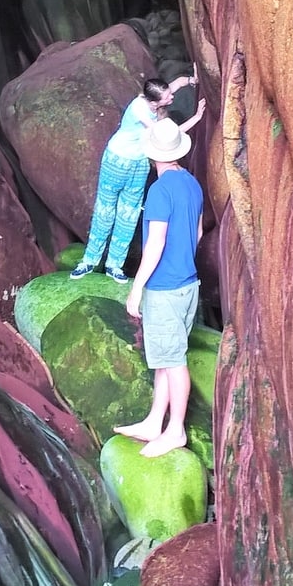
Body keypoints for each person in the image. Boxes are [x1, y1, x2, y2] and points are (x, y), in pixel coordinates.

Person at [114, 117, 204, 457]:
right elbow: (196, 235)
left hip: (165, 288)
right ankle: (155, 421)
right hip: (189, 284)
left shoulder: (159, 191)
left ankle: (175, 430)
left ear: (153, 155)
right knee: (168, 359)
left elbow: (154, 244)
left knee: (174, 361)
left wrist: (137, 288)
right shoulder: (192, 184)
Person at [70, 67, 205, 282]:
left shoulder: (156, 97)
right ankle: (89, 261)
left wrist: (193, 79)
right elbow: (166, 135)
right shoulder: (140, 110)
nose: (171, 97)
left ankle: (115, 265)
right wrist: (197, 118)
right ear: (155, 102)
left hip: (140, 164)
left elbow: (177, 83)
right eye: (167, 97)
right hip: (117, 161)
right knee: (105, 211)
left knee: (129, 215)